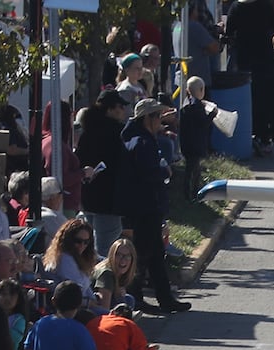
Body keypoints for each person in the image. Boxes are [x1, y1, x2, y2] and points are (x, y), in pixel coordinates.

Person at [117, 99, 191, 313]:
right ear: (146, 119)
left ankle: (165, 298)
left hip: (147, 207)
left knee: (156, 255)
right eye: (157, 116)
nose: (160, 119)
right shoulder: (141, 142)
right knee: (141, 255)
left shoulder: (143, 139)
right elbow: (146, 173)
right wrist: (164, 171)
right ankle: (136, 297)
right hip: (143, 208)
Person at [226, 0, 274, 155]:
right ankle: (266, 135)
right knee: (268, 98)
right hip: (265, 59)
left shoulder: (237, 7)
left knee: (250, 99)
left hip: (245, 60)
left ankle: (251, 134)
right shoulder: (265, 6)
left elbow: (229, 32)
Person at [76, 90, 131, 258]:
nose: (123, 110)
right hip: (109, 201)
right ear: (109, 109)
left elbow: (79, 158)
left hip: (88, 198)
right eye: (120, 106)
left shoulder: (87, 132)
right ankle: (103, 283)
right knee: (107, 250)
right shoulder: (118, 133)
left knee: (88, 248)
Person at [178, 77, 216, 199]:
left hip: (186, 142)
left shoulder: (186, 105)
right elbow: (203, 123)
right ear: (201, 90)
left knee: (193, 169)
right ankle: (192, 194)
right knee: (193, 171)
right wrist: (212, 114)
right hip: (196, 143)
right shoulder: (197, 107)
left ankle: (191, 193)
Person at [43, 217, 99, 297]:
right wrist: (90, 303)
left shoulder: (78, 258)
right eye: (78, 241)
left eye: (86, 242)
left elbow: (86, 289)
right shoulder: (65, 258)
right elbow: (77, 290)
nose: (82, 245)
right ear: (69, 239)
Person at [173, 1, 222, 89]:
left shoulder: (177, 27)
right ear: (192, 11)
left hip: (181, 79)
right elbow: (214, 47)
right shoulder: (195, 26)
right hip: (197, 82)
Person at [93, 238, 138, 312]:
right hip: (91, 310)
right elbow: (104, 308)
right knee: (127, 301)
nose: (123, 260)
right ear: (112, 256)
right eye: (119, 255)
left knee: (128, 299)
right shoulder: (106, 273)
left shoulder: (120, 273)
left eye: (127, 256)